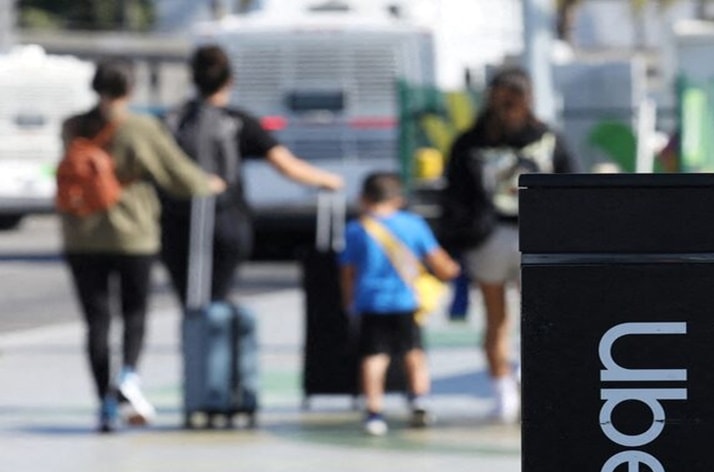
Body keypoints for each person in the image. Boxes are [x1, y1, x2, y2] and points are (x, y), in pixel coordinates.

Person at [58, 58, 226, 432]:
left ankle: (104, 403)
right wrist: (207, 184)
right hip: (132, 233)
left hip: (80, 235)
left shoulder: (72, 126)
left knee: (97, 321)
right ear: (130, 89)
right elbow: (176, 173)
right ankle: (128, 379)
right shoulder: (140, 127)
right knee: (134, 313)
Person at [439, 66, 575, 423]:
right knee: (535, 318)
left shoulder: (471, 141)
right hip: (532, 236)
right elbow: (571, 184)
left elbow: (453, 194)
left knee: (499, 320)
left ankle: (506, 393)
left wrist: (461, 235)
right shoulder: (547, 138)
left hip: (493, 237)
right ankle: (526, 387)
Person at [159, 44, 343, 305]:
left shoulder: (172, 120)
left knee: (189, 298)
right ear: (230, 81)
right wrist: (328, 180)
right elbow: (286, 165)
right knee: (216, 297)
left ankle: (195, 327)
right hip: (226, 219)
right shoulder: (238, 121)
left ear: (193, 79)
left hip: (177, 220)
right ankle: (212, 325)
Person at [340, 172, 460, 435]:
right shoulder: (413, 224)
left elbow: (348, 271)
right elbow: (439, 261)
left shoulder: (356, 229)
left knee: (374, 357)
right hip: (407, 300)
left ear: (364, 197)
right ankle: (419, 400)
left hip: (370, 301)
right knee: (414, 352)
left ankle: (374, 412)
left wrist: (349, 301)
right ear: (398, 198)